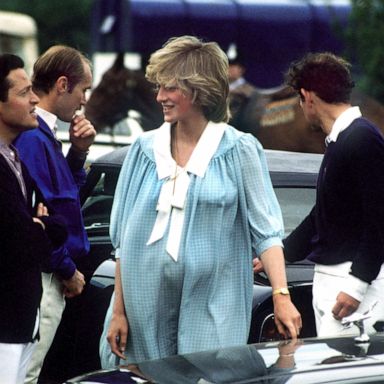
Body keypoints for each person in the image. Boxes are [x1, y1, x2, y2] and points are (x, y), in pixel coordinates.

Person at [100, 35, 301, 367]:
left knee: (211, 373)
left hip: (212, 302)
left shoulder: (239, 150)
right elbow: (123, 244)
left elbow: (267, 233)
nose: (159, 96)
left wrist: (282, 296)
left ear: (199, 89)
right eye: (159, 87)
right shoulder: (143, 150)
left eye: (170, 88)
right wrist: (119, 311)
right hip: (142, 304)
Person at [283, 52, 384, 336]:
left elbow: (379, 219)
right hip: (335, 281)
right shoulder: (342, 140)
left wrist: (356, 284)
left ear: (308, 96)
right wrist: (281, 253)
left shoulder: (362, 138)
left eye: (300, 100)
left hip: (352, 287)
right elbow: (324, 214)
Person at [13, 45, 96, 383]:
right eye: (82, 90)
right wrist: (67, 269)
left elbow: (62, 202)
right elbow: (37, 215)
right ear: (62, 84)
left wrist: (78, 155)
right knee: (25, 375)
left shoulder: (44, 136)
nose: (84, 100)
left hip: (47, 273)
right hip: (45, 277)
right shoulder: (34, 138)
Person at [0, 53, 67, 383]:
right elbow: (22, 243)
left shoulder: (13, 156)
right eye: (24, 92)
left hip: (22, 321)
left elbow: (56, 221)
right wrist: (39, 227)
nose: (35, 99)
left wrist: (42, 225)